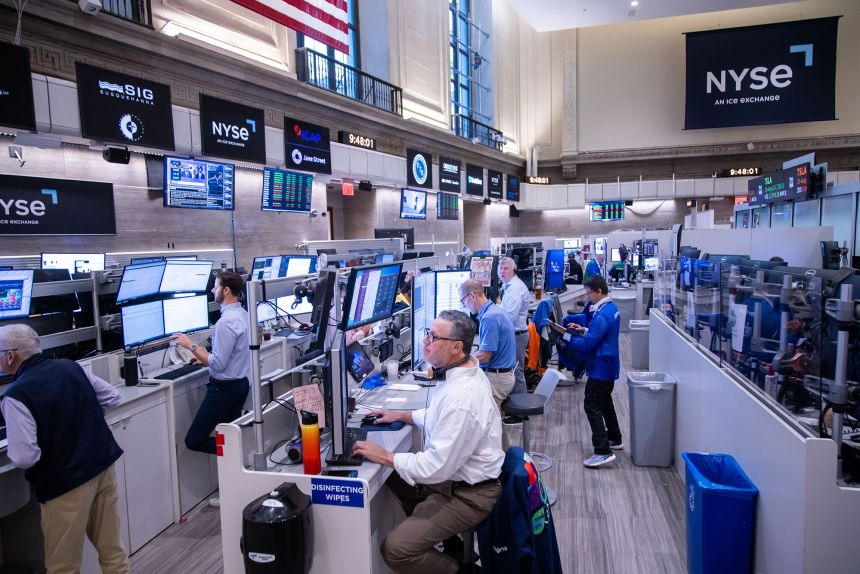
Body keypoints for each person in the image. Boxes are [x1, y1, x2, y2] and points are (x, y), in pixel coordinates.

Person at [353, 310, 504, 574]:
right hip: (457, 480)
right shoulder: (463, 370)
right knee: (393, 476)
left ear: (457, 347)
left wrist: (385, 455)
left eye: (433, 337)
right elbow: (439, 416)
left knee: (395, 550)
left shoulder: (462, 397)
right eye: (427, 334)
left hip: (471, 494)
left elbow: (436, 467)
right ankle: (451, 542)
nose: (425, 342)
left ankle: (462, 571)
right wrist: (403, 415)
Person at [0, 324, 129, 574]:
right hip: (102, 467)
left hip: (64, 484)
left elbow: (25, 457)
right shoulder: (71, 366)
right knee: (113, 552)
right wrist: (80, 421)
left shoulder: (16, 395)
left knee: (63, 567)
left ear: (10, 355)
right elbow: (112, 397)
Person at [173, 271, 250, 505]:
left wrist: (191, 345)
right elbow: (224, 356)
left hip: (223, 391)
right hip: (238, 386)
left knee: (194, 439)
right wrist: (204, 356)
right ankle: (233, 491)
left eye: (215, 287)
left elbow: (218, 363)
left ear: (226, 290)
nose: (212, 291)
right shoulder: (243, 315)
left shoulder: (225, 323)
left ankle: (237, 458)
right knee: (227, 437)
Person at [550, 275, 622, 468]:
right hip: (608, 365)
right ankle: (615, 438)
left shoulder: (603, 314)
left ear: (599, 291)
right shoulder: (610, 309)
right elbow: (596, 334)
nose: (588, 296)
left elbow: (588, 344)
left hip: (600, 367)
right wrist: (583, 329)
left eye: (589, 292)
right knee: (605, 401)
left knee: (591, 405)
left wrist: (565, 335)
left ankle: (603, 451)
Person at [459, 279, 517, 411]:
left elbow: (485, 356)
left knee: (488, 423)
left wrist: (458, 362)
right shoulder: (494, 310)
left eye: (463, 301)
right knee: (494, 422)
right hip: (503, 375)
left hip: (497, 380)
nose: (464, 306)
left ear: (472, 296)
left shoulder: (489, 318)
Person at [497, 256, 531, 398]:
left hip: (517, 335)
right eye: (500, 268)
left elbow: (510, 318)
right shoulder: (509, 287)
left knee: (516, 372)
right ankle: (515, 406)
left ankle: (520, 411)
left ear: (514, 270)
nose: (502, 272)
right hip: (514, 335)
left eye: (506, 269)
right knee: (512, 371)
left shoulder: (516, 289)